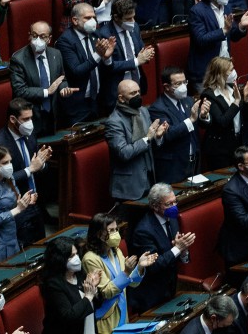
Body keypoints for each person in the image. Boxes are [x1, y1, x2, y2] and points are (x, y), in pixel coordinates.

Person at [0, 99, 50, 244]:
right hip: (16, 205)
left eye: (31, 118)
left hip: (36, 202)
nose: (30, 123)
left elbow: (38, 166)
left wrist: (42, 164)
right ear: (12, 119)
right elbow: (0, 180)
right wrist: (30, 169)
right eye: (26, 119)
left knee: (41, 247)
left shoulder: (30, 135)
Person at [81, 213, 155, 334]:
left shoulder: (115, 251)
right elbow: (107, 292)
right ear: (99, 233)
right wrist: (126, 271)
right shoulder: (91, 259)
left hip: (122, 311)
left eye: (116, 229)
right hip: (106, 317)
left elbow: (131, 283)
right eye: (111, 230)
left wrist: (140, 267)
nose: (116, 233)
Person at [129, 183, 196, 311]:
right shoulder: (143, 231)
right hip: (151, 296)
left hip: (170, 288)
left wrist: (183, 251)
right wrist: (178, 248)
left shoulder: (172, 218)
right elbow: (154, 265)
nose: (174, 207)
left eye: (175, 202)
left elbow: (176, 252)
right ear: (155, 206)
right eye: (168, 204)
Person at [187, 0, 248, 86]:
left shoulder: (227, 7)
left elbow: (232, 35)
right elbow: (201, 39)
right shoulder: (197, 11)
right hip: (206, 72)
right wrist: (224, 30)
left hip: (225, 68)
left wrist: (241, 26)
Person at [55, 3, 116, 126]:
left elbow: (106, 68)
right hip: (77, 105)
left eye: (93, 17)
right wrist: (98, 55)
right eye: (87, 18)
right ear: (75, 20)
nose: (92, 21)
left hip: (98, 100)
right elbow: (77, 71)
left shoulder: (95, 35)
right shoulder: (65, 41)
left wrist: (106, 58)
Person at [105, 79, 165, 202]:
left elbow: (149, 144)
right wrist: (147, 138)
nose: (138, 95)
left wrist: (157, 137)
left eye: (138, 92)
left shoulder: (143, 111)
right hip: (128, 188)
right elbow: (123, 153)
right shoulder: (114, 122)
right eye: (133, 93)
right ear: (121, 98)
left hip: (149, 179)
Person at [9, 21, 72, 137]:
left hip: (53, 115)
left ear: (49, 39)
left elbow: (61, 78)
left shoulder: (56, 54)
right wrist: (47, 91)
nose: (37, 39)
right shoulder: (18, 59)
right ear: (29, 35)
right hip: (31, 117)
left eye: (42, 36)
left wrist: (63, 88)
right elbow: (19, 90)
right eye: (34, 35)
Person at [0, 144, 37, 266]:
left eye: (10, 161)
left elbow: (14, 203)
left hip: (12, 236)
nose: (9, 165)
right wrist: (18, 208)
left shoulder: (9, 178)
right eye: (5, 163)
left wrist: (26, 201)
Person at [149, 67, 208, 184]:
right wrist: (190, 120)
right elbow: (168, 134)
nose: (183, 86)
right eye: (178, 83)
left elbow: (199, 125)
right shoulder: (158, 108)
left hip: (194, 162)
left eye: (184, 82)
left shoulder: (188, 101)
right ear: (166, 86)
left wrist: (204, 115)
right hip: (173, 167)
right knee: (174, 202)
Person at [97, 0, 154, 112]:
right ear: (116, 17)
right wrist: (137, 61)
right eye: (128, 18)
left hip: (136, 84)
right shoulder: (104, 34)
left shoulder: (135, 27)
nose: (133, 21)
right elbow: (109, 66)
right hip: (116, 91)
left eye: (133, 17)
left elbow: (139, 49)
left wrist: (146, 54)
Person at [40, 236, 101, 334]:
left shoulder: (80, 274)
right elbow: (69, 317)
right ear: (60, 259)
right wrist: (88, 296)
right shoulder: (53, 284)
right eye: (71, 256)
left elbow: (96, 304)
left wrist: (94, 289)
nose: (76, 258)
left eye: (76, 254)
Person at [200, 57, 247, 171]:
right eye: (231, 70)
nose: (234, 72)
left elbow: (240, 113)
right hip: (219, 149)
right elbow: (222, 121)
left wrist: (245, 99)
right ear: (220, 73)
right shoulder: (209, 95)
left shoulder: (231, 88)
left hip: (237, 143)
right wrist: (237, 101)